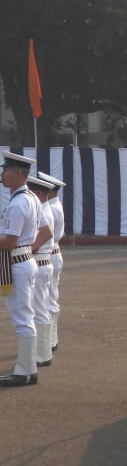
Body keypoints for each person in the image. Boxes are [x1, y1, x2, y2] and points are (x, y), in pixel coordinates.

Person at [0, 152, 41, 387]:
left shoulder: (17, 203)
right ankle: (27, 367)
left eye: (5, 170)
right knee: (25, 316)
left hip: (17, 262)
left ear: (18, 173)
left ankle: (25, 370)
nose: (2, 175)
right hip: (23, 261)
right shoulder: (30, 197)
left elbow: (9, 242)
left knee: (22, 318)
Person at [26, 176, 55, 369]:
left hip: (41, 261)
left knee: (39, 309)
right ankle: (43, 352)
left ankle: (42, 354)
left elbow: (46, 234)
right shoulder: (44, 209)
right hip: (44, 262)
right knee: (41, 308)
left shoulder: (43, 210)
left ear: (39, 193)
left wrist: (29, 250)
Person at [39, 173, 66, 351]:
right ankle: (51, 340)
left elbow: (49, 235)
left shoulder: (51, 207)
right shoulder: (55, 205)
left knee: (47, 299)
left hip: (49, 252)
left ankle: (48, 342)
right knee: (51, 297)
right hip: (54, 251)